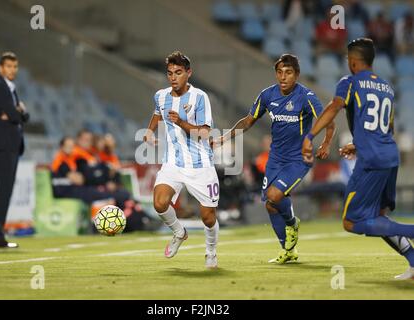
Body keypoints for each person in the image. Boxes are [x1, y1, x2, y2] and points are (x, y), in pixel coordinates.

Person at [302, 38, 414, 280]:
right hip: (389, 156)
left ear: (352, 62)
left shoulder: (349, 82)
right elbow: (388, 128)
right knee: (379, 215)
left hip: (372, 161)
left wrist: (311, 135)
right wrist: (358, 143)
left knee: (351, 221)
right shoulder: (387, 86)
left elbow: (334, 107)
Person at [215, 54, 335, 264]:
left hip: (298, 159)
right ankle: (287, 250)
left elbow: (328, 120)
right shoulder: (267, 95)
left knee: (274, 195)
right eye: (279, 72)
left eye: (288, 72)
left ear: (296, 74)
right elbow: (248, 121)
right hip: (275, 159)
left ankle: (292, 224)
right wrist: (225, 137)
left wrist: (325, 143)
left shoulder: (306, 96)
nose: (283, 76)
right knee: (271, 205)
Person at [143, 51, 219, 268]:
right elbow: (158, 113)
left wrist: (182, 123)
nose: (173, 77)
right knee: (159, 203)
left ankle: (211, 251)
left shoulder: (200, 97)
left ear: (188, 73)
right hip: (173, 163)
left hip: (200, 165)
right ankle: (179, 232)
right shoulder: (161, 96)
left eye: (178, 73)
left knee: (208, 217)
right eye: (169, 73)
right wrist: (149, 132)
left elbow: (205, 133)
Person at [0, 52, 29, 249]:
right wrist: (17, 111)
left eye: (15, 66)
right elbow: (15, 115)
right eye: (9, 66)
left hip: (11, 146)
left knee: (6, 190)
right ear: (0, 68)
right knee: (3, 191)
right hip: (3, 145)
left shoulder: (11, 90)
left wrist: (17, 113)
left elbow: (19, 116)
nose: (12, 70)